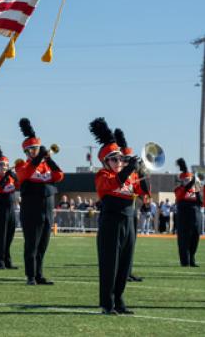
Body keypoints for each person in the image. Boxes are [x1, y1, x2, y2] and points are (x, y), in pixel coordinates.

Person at [89, 118, 150, 315]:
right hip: (111, 221)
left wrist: (142, 171)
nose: (119, 162)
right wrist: (130, 167)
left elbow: (143, 191)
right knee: (110, 264)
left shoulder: (129, 174)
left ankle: (120, 300)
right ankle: (107, 303)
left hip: (128, 220)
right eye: (114, 159)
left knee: (125, 263)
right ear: (105, 161)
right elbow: (116, 183)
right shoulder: (103, 176)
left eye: (120, 159)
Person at [16, 118, 64, 286]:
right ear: (26, 152)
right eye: (31, 150)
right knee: (31, 244)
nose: (34, 152)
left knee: (43, 244)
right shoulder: (22, 165)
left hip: (47, 209)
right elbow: (24, 175)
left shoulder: (46, 166)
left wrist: (49, 159)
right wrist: (38, 159)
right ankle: (30, 275)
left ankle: (39, 274)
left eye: (36, 149)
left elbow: (59, 176)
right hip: (31, 209)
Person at [114, 128, 143, 283]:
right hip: (118, 213)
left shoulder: (132, 175)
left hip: (131, 211)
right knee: (120, 246)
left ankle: (127, 272)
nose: (125, 162)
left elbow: (142, 191)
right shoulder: (116, 175)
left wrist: (142, 172)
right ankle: (121, 273)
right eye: (124, 159)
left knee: (130, 245)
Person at [0, 143, 18, 269]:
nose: (4, 168)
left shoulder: (11, 178)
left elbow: (20, 183)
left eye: (6, 166)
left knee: (10, 237)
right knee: (0, 238)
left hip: (11, 211)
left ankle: (7, 261)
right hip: (0, 211)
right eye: (2, 166)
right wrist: (6, 176)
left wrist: (14, 175)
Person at [174, 158, 202, 267]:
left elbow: (201, 202)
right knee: (184, 239)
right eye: (185, 179)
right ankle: (185, 261)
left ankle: (192, 259)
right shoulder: (179, 189)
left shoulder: (196, 190)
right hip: (184, 217)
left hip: (196, 216)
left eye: (189, 179)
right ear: (182, 180)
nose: (188, 180)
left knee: (195, 238)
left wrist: (198, 187)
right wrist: (192, 182)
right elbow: (181, 194)